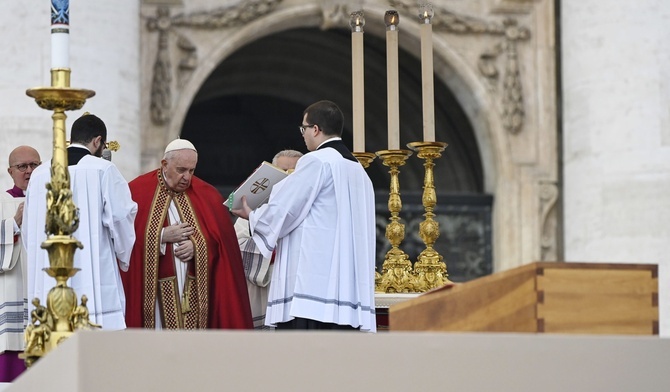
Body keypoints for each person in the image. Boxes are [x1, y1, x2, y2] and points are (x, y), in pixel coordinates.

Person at [232, 100, 377, 331]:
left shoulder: (315, 161)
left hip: (312, 291)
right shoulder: (358, 170)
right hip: (348, 291)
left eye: (304, 129)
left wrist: (251, 215)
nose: (303, 135)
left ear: (316, 129)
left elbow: (286, 208)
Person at [121, 139, 252, 330]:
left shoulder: (207, 194)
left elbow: (223, 242)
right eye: (181, 170)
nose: (187, 177)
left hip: (195, 290)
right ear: (164, 164)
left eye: (191, 171)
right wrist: (161, 236)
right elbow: (124, 239)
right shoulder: (137, 191)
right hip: (155, 293)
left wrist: (199, 246)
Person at [23, 113, 138, 331]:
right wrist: (123, 255)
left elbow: (29, 232)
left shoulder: (38, 175)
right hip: (93, 284)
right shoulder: (104, 170)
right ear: (97, 141)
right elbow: (121, 217)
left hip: (49, 280)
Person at [233, 149, 303, 329]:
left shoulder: (308, 210)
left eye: (294, 172)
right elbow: (237, 247)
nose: (288, 179)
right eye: (283, 172)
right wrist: (278, 250)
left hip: (297, 293)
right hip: (262, 294)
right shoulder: (253, 210)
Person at [0, 190, 29, 381]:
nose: (29, 171)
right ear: (10, 171)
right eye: (22, 166)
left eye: (34, 165)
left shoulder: (56, 198)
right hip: (12, 287)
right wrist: (13, 225)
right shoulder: (3, 201)